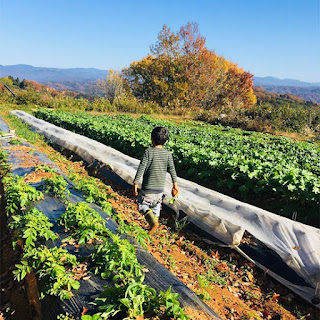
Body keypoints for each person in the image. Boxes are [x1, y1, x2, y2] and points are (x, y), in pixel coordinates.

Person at [133, 126, 179, 235]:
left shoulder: (148, 152)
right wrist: (175, 185)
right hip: (159, 191)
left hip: (147, 189)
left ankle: (153, 224)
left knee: (142, 204)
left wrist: (135, 183)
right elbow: (172, 169)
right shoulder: (168, 154)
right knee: (156, 207)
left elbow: (142, 167)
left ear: (152, 139)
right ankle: (152, 231)